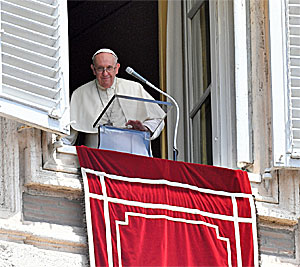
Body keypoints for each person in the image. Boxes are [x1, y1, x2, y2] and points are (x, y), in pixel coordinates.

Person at [64, 48, 165, 155]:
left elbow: (158, 119)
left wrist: (145, 128)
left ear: (117, 68)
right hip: (97, 158)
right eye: (100, 68)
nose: (105, 73)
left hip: (133, 154)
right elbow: (67, 136)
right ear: (93, 70)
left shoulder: (134, 88)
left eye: (109, 68)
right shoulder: (80, 94)